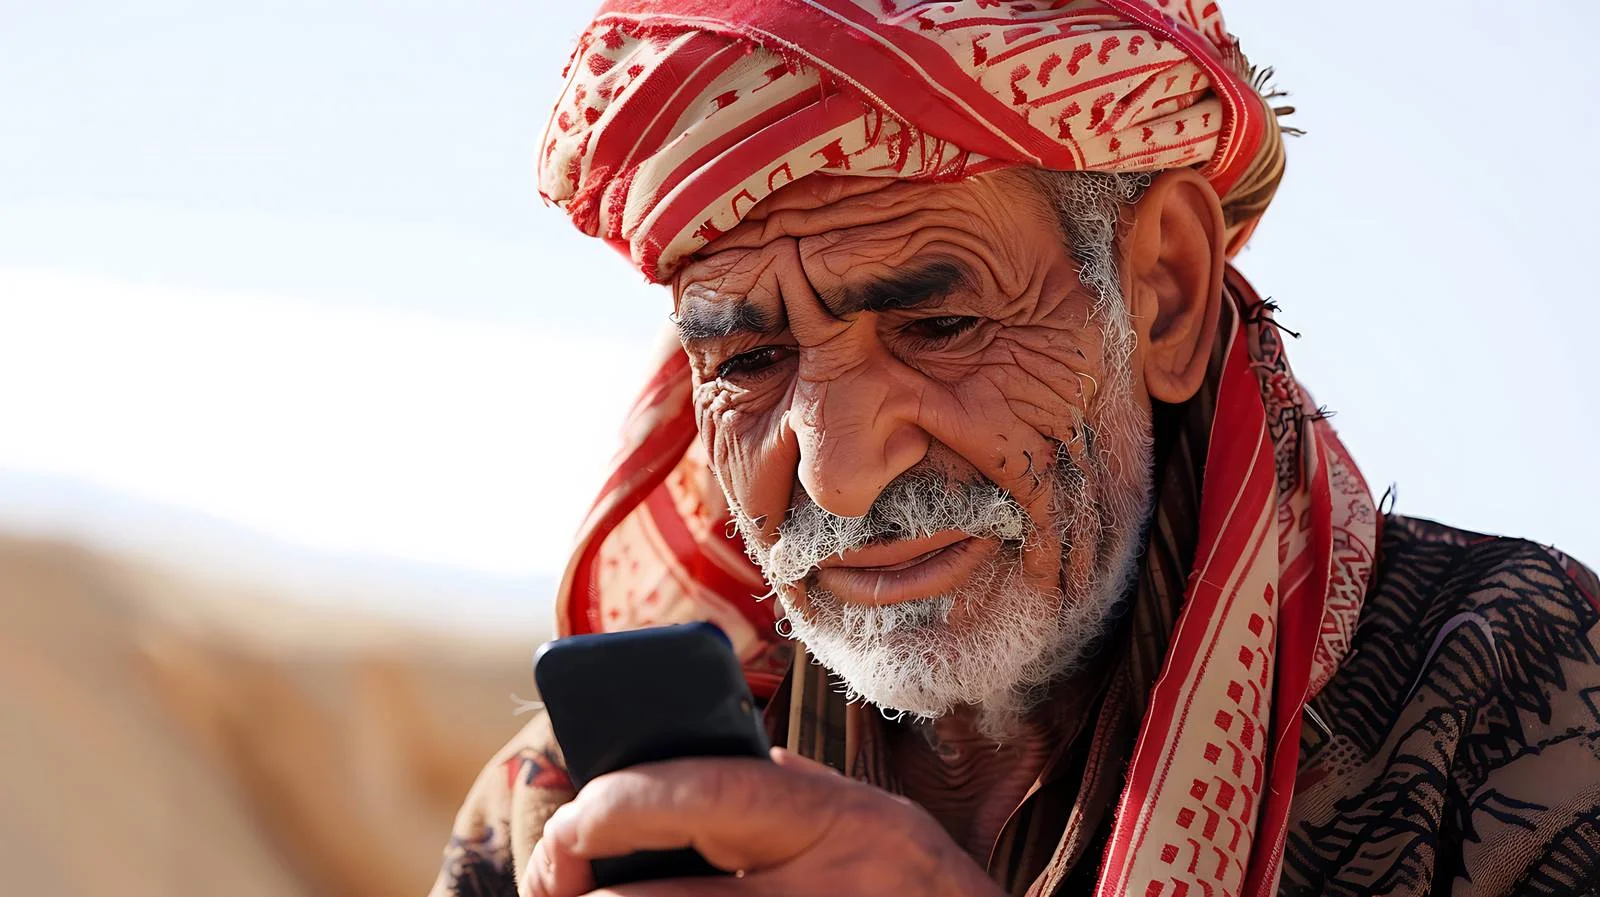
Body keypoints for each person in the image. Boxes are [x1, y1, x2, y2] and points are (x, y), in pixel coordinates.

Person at [431, 2, 1600, 895]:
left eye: (939, 328)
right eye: (749, 364)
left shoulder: (1506, 704)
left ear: (1166, 297)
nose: (838, 472)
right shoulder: (582, 814)